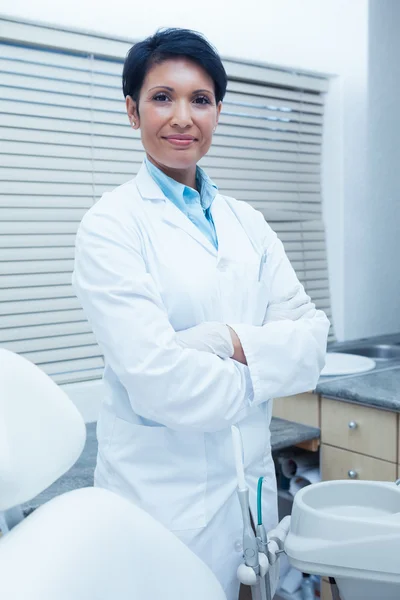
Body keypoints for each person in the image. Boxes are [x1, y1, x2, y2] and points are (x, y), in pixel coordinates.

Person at [72, 28, 330, 600]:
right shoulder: (111, 225)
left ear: (217, 111)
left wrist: (217, 340)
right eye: (162, 97)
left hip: (252, 485)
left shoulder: (249, 223)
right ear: (132, 111)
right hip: (163, 500)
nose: (181, 117)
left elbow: (312, 346)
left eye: (200, 99)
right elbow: (160, 384)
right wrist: (263, 362)